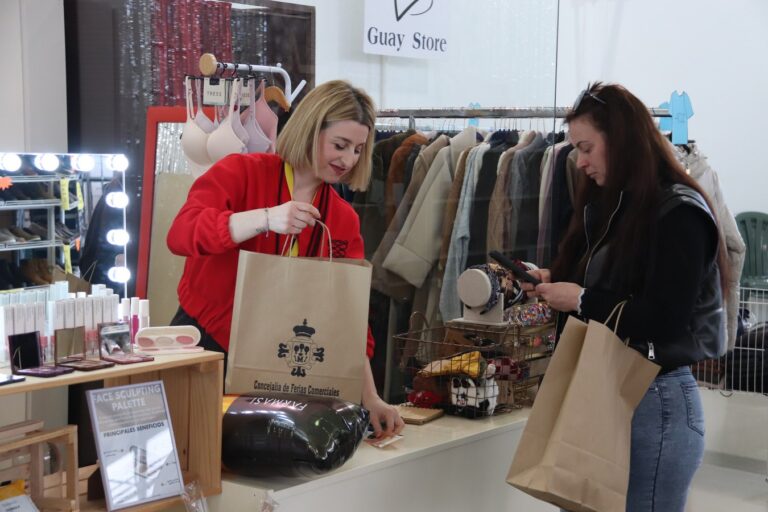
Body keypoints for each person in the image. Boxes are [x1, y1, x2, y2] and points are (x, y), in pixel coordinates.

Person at [523, 82, 727, 512]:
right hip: (609, 390)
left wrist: (580, 300)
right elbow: (615, 284)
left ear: (621, 140)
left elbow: (664, 319)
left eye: (586, 148)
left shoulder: (680, 213)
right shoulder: (614, 205)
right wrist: (550, 278)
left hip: (655, 400)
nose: (579, 162)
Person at [167, 80, 404, 438]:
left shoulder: (341, 219)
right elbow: (181, 234)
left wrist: (370, 397)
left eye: (357, 149)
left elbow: (347, 315)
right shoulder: (241, 173)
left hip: (279, 362)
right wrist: (263, 219)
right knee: (191, 457)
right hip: (205, 344)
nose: (348, 160)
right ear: (311, 130)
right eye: (339, 145)